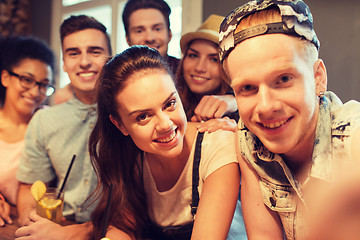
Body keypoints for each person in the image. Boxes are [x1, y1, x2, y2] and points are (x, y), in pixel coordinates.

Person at [218, 0, 360, 239]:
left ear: (318, 78)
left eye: (283, 79)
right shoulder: (249, 141)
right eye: (248, 88)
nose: (266, 106)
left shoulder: (353, 136)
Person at [89, 45, 240, 240]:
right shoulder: (132, 156)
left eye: (169, 104)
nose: (165, 124)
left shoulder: (218, 144)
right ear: (120, 125)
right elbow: (122, 226)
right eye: (143, 116)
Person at [15, 15, 112, 239]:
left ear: (110, 57)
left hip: (115, 229)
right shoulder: (43, 121)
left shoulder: (132, 115)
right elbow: (28, 187)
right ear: (64, 63)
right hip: (56, 225)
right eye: (73, 53)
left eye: (95, 51)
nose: (84, 61)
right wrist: (30, 215)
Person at [0, 36, 55, 227]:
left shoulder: (49, 122)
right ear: (5, 77)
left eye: (43, 85)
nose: (34, 92)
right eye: (27, 80)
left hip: (45, 221)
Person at [176, 14, 238, 132]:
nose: (200, 67)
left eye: (214, 59)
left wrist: (235, 101)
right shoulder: (170, 100)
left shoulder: (240, 115)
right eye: (193, 55)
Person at [122, 0, 179, 75]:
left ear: (169, 34)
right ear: (127, 39)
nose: (149, 38)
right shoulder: (115, 76)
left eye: (157, 29)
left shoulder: (187, 73)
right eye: (139, 31)